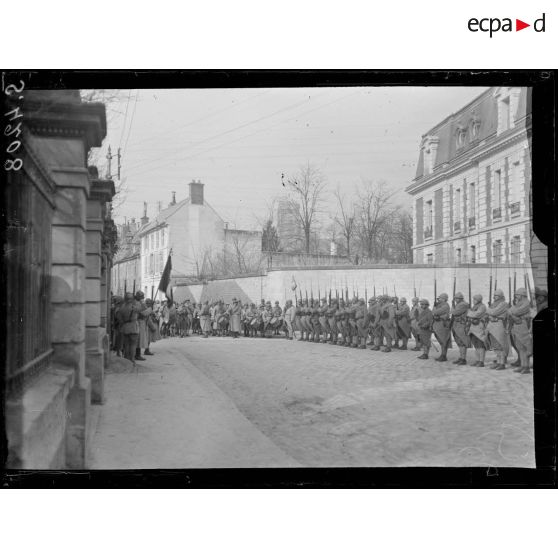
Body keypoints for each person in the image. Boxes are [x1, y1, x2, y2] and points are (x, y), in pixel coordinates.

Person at [508, 288, 533, 374]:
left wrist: (512, 312)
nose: (516, 296)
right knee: (520, 347)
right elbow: (510, 311)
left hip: (522, 325)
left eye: (517, 295)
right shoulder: (519, 303)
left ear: (522, 295)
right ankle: (522, 365)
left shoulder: (526, 303)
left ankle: (526, 367)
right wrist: (512, 312)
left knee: (525, 346)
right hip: (516, 325)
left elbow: (515, 311)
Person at [485, 288, 510, 370]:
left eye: (496, 295)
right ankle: (499, 362)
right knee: (495, 346)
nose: (494, 297)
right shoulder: (493, 304)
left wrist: (489, 310)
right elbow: (489, 314)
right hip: (492, 326)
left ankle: (502, 363)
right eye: (494, 295)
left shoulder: (503, 304)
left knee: (500, 345)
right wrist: (490, 313)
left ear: (501, 296)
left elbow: (494, 312)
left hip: (499, 325)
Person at [467, 294, 488, 367]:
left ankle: (481, 361)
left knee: (481, 346)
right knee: (476, 346)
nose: (473, 301)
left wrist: (469, 313)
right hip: (472, 328)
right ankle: (477, 360)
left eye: (475, 299)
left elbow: (476, 314)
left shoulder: (482, 306)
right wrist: (470, 313)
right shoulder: (474, 307)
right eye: (473, 299)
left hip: (479, 328)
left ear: (479, 300)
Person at [450, 292, 470, 365]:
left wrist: (452, 306)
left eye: (457, 298)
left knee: (462, 342)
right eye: (455, 298)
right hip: (456, 324)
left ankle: (463, 359)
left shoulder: (463, 304)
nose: (456, 300)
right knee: (459, 343)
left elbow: (455, 312)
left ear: (461, 299)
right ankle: (461, 357)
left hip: (461, 325)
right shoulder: (458, 304)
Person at [432, 293, 452, 362]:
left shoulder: (445, 305)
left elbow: (435, 312)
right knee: (441, 341)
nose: (438, 300)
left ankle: (444, 355)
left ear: (444, 299)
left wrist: (434, 307)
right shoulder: (440, 305)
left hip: (443, 324)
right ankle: (443, 355)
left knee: (444, 340)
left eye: (439, 298)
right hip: (438, 324)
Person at [120, 292, 139, 362]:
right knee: (133, 345)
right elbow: (143, 313)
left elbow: (120, 319)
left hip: (125, 327)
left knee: (127, 344)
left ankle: (127, 359)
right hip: (133, 327)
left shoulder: (122, 307)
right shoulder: (135, 307)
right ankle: (132, 359)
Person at [134, 291, 148, 361]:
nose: (143, 298)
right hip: (138, 322)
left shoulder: (138, 302)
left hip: (140, 322)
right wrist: (148, 311)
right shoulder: (137, 303)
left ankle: (137, 354)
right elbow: (143, 312)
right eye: (142, 296)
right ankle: (137, 354)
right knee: (138, 340)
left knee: (139, 339)